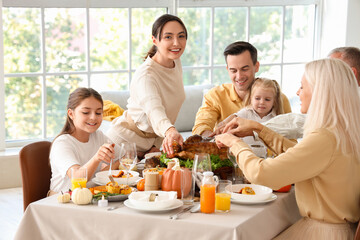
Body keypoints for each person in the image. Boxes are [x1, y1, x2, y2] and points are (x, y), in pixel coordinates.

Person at [215, 58, 360, 239]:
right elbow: (301, 155)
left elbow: (262, 174)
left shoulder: (325, 138)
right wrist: (258, 129)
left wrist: (235, 143)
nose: (298, 92)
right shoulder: (344, 132)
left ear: (319, 93)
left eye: (302, 86)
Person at [107, 14, 187, 157]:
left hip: (150, 146)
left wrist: (157, 144)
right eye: (168, 37)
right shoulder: (146, 76)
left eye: (181, 36)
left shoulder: (175, 62)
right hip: (123, 144)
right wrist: (170, 131)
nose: (176, 43)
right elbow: (154, 110)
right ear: (155, 40)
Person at [192, 41, 292, 137]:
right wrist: (213, 138)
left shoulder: (278, 99)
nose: (239, 76)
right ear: (228, 70)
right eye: (233, 70)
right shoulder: (215, 95)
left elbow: (291, 139)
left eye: (244, 69)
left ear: (256, 67)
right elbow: (201, 126)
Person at [49, 88, 123, 194]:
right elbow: (76, 178)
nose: (93, 117)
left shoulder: (99, 136)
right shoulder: (62, 143)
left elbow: (124, 157)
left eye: (98, 113)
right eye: (86, 112)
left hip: (91, 195)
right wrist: (97, 158)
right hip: (62, 200)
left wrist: (102, 173)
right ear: (71, 114)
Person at [214, 77, 285, 157]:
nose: (262, 102)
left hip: (268, 159)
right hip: (246, 156)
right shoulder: (247, 112)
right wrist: (222, 124)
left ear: (274, 101)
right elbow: (235, 117)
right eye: (257, 98)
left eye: (267, 99)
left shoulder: (276, 118)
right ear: (251, 98)